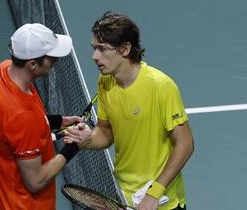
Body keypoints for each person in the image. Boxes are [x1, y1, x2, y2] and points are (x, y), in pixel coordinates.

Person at [64, 12, 194, 210]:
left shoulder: (161, 86)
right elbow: (106, 133)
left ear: (125, 49)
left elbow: (185, 144)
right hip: (125, 196)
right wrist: (88, 138)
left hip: (162, 202)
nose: (94, 56)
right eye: (94, 48)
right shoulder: (105, 82)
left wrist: (154, 193)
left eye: (102, 49)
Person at [0, 23, 81, 210]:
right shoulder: (21, 116)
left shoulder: (0, 74)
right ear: (33, 65)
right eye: (52, 57)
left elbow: (12, 129)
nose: (56, 61)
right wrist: (75, 146)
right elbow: (35, 181)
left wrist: (60, 121)